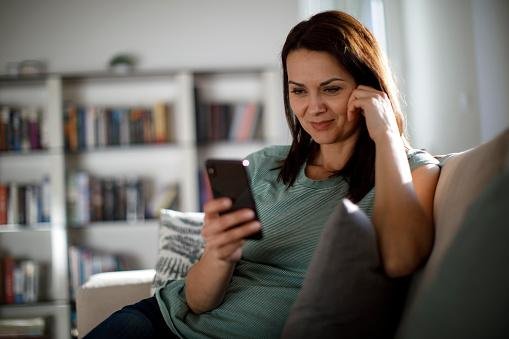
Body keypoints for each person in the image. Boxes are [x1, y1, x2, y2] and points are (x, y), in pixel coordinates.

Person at [84, 10, 440, 339]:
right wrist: (220, 254)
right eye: (298, 90)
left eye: (331, 88)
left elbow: (400, 258)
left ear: (369, 89)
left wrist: (387, 134)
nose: (313, 108)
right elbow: (196, 302)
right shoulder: (264, 165)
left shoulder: (411, 170)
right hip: (159, 322)